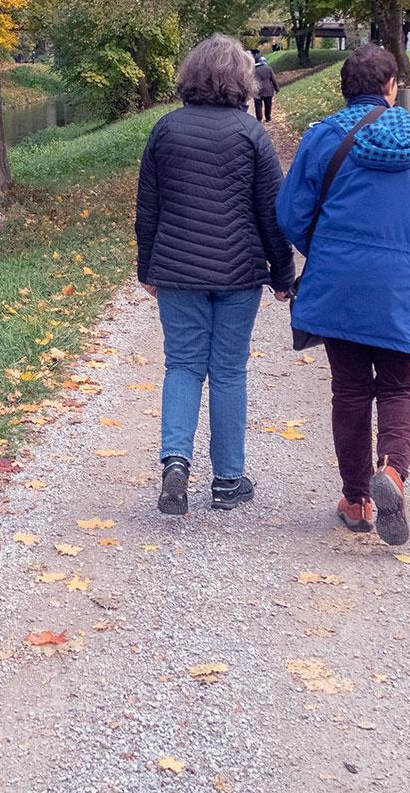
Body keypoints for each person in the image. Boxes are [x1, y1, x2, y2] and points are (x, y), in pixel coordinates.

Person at [275, 44, 410, 546]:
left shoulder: (321, 140)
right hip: (407, 288)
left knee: (351, 390)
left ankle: (357, 500)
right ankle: (394, 473)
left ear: (344, 90)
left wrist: (328, 252)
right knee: (402, 386)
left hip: (341, 286)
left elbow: (291, 215)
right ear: (391, 87)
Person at [136, 35, 295, 516]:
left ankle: (176, 465)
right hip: (239, 271)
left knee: (182, 365)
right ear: (242, 80)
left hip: (178, 270)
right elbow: (272, 213)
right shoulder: (251, 134)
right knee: (227, 370)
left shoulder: (165, 130)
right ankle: (227, 481)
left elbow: (148, 209)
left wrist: (147, 267)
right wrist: (283, 272)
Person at [251, 50, 278, 123]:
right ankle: (268, 118)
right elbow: (273, 79)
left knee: (258, 106)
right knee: (268, 105)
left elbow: (251, 80)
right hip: (268, 90)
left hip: (258, 90)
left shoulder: (254, 69)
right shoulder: (268, 68)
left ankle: (259, 119)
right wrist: (277, 89)